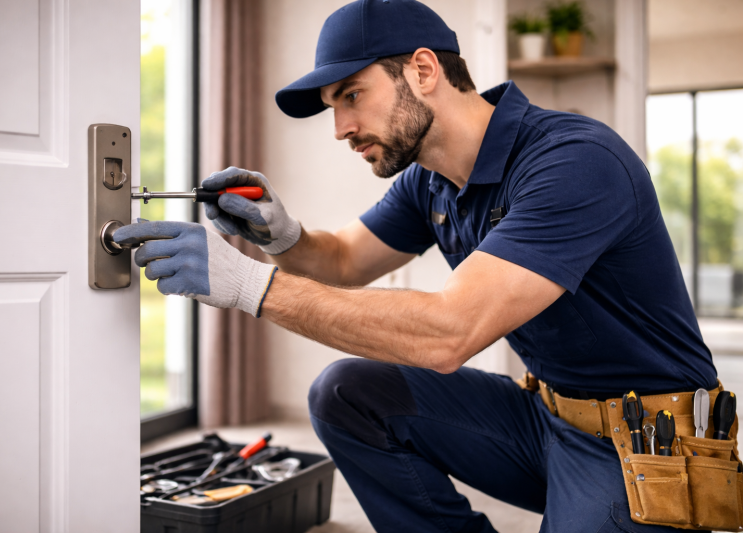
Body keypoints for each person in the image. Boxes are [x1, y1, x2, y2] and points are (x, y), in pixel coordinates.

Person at [115, 1, 719, 531]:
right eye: (332, 107)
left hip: (646, 444)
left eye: (352, 95)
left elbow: (448, 334)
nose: (340, 129)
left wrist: (247, 284)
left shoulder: (574, 160)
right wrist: (283, 236)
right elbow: (345, 259)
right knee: (346, 393)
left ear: (423, 71)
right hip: (545, 418)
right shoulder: (430, 181)